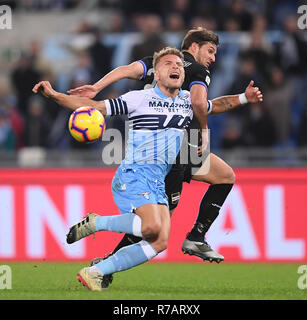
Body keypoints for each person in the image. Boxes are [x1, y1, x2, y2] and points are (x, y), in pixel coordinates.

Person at [68, 27, 263, 289]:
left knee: (224, 176)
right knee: (155, 229)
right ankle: (106, 264)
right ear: (194, 47)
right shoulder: (194, 69)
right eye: (210, 51)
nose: (213, 58)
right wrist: (205, 130)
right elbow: (198, 102)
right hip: (176, 153)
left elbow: (126, 69)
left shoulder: (158, 63)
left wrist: (97, 86)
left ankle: (195, 236)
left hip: (178, 149)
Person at [33, 47, 194, 291]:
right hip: (134, 174)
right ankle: (97, 223)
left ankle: (95, 272)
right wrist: (55, 95)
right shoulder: (139, 98)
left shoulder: (187, 101)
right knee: (151, 227)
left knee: (160, 242)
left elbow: (216, 105)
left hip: (158, 180)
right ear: (156, 75)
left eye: (179, 65)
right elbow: (94, 106)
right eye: (168, 63)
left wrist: (243, 98)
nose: (175, 67)